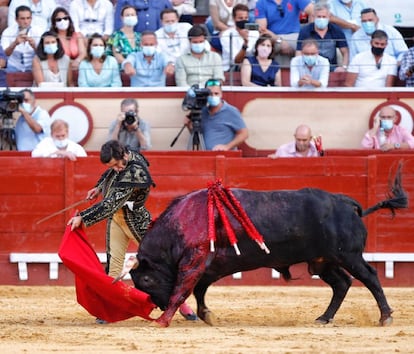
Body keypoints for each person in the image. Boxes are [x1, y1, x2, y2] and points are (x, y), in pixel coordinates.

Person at [67, 139, 197, 322]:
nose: (117, 169)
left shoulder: (136, 171)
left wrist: (83, 217)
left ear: (124, 156)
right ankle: (108, 308)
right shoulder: (123, 159)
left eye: (117, 164)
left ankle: (181, 305)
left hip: (136, 220)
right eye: (113, 166)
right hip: (117, 220)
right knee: (114, 267)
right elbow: (110, 172)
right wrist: (99, 187)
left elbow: (112, 203)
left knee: (160, 264)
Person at [185, 78, 248, 151]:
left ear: (221, 94)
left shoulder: (231, 111)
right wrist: (189, 125)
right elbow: (198, 136)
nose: (213, 96)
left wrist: (227, 146)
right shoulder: (203, 111)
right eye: (210, 94)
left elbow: (244, 134)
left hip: (225, 156)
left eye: (216, 93)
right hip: (207, 155)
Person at [255, 0, 314, 68]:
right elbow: (262, 30)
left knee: (307, 47)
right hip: (273, 37)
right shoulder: (261, 3)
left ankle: (300, 72)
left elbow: (314, 12)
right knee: (260, 49)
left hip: (294, 36)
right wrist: (280, 41)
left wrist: (309, 30)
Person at [296, 1, 349, 72]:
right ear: (313, 16)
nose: (321, 19)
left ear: (329, 17)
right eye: (319, 17)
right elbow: (299, 52)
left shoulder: (336, 30)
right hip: (310, 68)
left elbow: (345, 52)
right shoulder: (305, 31)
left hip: (332, 69)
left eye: (324, 17)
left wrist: (344, 67)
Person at [1, 5, 42, 73]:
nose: (26, 21)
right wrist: (14, 44)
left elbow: (44, 55)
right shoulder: (8, 32)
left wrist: (34, 46)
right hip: (13, 67)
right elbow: (3, 55)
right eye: (22, 18)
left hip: (32, 67)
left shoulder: (38, 31)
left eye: (28, 18)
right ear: (16, 19)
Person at [220, 3, 259, 72]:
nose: (244, 20)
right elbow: (237, 60)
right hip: (231, 68)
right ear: (234, 18)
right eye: (240, 18)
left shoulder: (254, 33)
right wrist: (245, 43)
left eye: (246, 18)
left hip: (251, 67)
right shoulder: (226, 35)